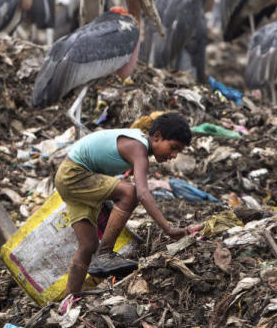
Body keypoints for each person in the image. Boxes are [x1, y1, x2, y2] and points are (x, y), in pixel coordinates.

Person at [55, 112, 202, 312]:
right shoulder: (138, 147)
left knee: (88, 246)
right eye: (173, 147)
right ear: (157, 137)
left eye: (178, 151)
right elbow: (141, 193)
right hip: (76, 174)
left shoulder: (137, 144)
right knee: (130, 192)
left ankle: (67, 304)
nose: (174, 155)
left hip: (69, 178)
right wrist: (168, 229)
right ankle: (106, 253)